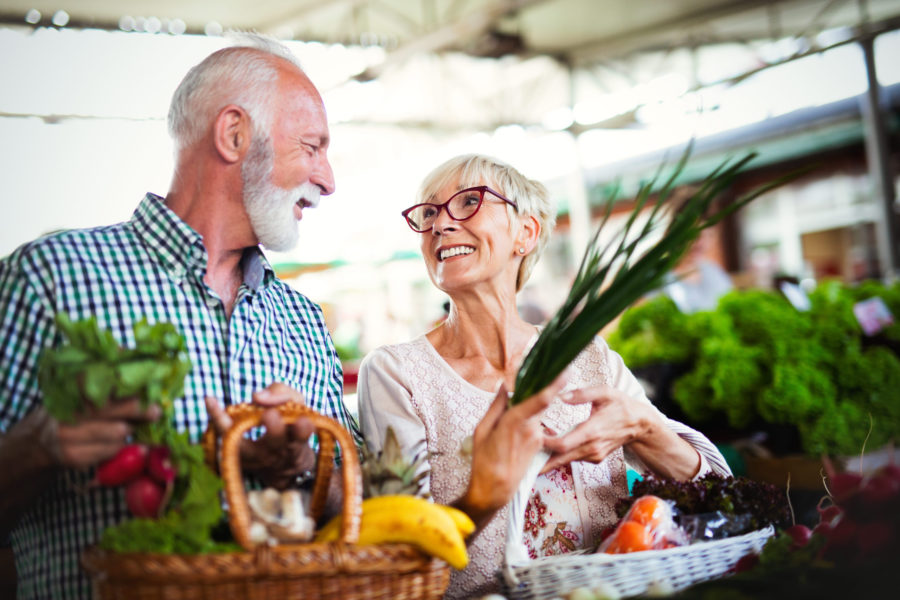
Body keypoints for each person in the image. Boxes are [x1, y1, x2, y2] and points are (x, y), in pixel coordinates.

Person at [0, 34, 360, 600]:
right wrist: (41, 446)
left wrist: (299, 467)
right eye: (312, 147)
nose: (328, 179)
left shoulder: (303, 320)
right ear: (234, 135)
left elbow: (356, 510)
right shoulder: (50, 277)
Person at [357, 154, 731, 599]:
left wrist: (644, 428)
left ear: (526, 233)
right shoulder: (396, 374)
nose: (440, 224)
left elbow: (719, 495)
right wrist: (483, 494)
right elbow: (400, 565)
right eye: (430, 212)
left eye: (469, 202)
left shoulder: (589, 356)